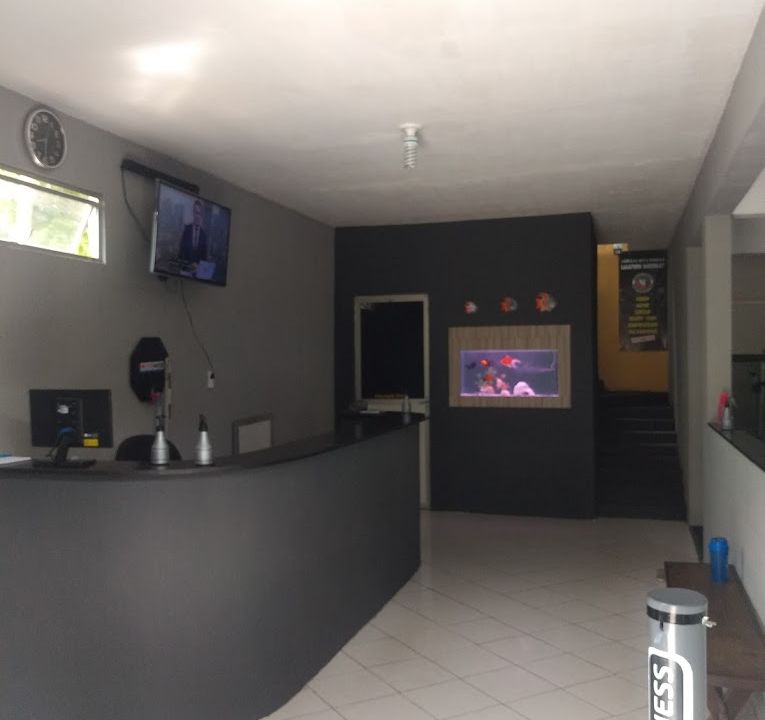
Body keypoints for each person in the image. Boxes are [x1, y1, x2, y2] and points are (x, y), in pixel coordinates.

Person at [178, 199, 208, 266]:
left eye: (200, 213)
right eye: (196, 212)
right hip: (185, 268)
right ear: (193, 213)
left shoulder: (204, 235)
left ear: (202, 215)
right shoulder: (187, 230)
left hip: (198, 270)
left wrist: (198, 266)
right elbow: (181, 252)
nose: (197, 216)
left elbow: (204, 258)